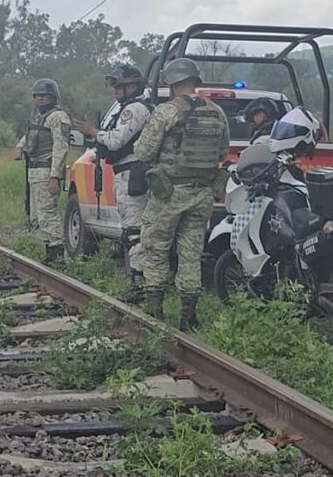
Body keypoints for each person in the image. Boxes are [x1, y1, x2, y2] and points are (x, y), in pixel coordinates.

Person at [135, 58, 230, 330]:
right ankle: (188, 318)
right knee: (191, 253)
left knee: (156, 248)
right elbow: (222, 152)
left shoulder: (167, 112)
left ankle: (154, 312)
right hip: (202, 194)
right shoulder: (217, 112)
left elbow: (143, 152)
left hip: (169, 194)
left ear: (173, 83)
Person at [72, 64, 152, 302]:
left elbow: (117, 141)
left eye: (119, 87)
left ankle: (140, 285)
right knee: (135, 231)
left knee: (134, 232)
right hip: (129, 173)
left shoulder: (134, 109)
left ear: (133, 86)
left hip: (132, 174)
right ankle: (143, 282)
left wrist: (94, 132)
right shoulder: (134, 108)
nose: (114, 92)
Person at [13, 78, 71, 266]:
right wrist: (20, 146)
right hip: (34, 171)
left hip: (46, 171)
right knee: (37, 216)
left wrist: (55, 176)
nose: (40, 99)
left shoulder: (58, 117)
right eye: (37, 96)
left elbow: (61, 148)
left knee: (48, 213)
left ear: (53, 97)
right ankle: (49, 252)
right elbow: (31, 133)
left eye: (44, 96)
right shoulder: (39, 117)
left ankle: (57, 254)